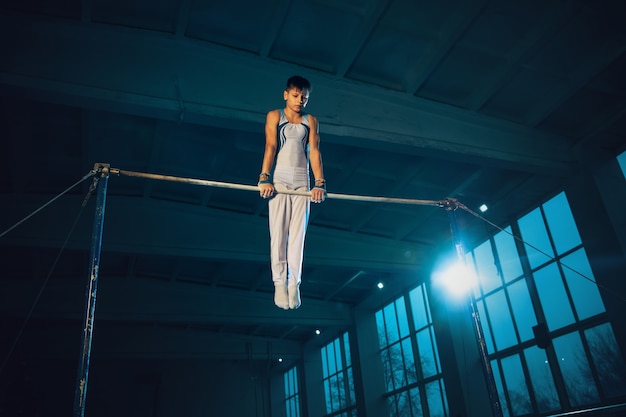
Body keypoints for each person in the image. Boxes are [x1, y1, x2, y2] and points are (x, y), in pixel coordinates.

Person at [258, 75, 326, 310]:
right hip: (280, 179)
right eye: (296, 96)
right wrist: (264, 177)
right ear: (286, 94)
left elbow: (314, 152)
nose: (300, 101)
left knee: (298, 237)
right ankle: (278, 282)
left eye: (304, 97)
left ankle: (293, 283)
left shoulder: (311, 121)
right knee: (279, 234)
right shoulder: (275, 116)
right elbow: (270, 146)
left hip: (303, 182)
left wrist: (319, 183)